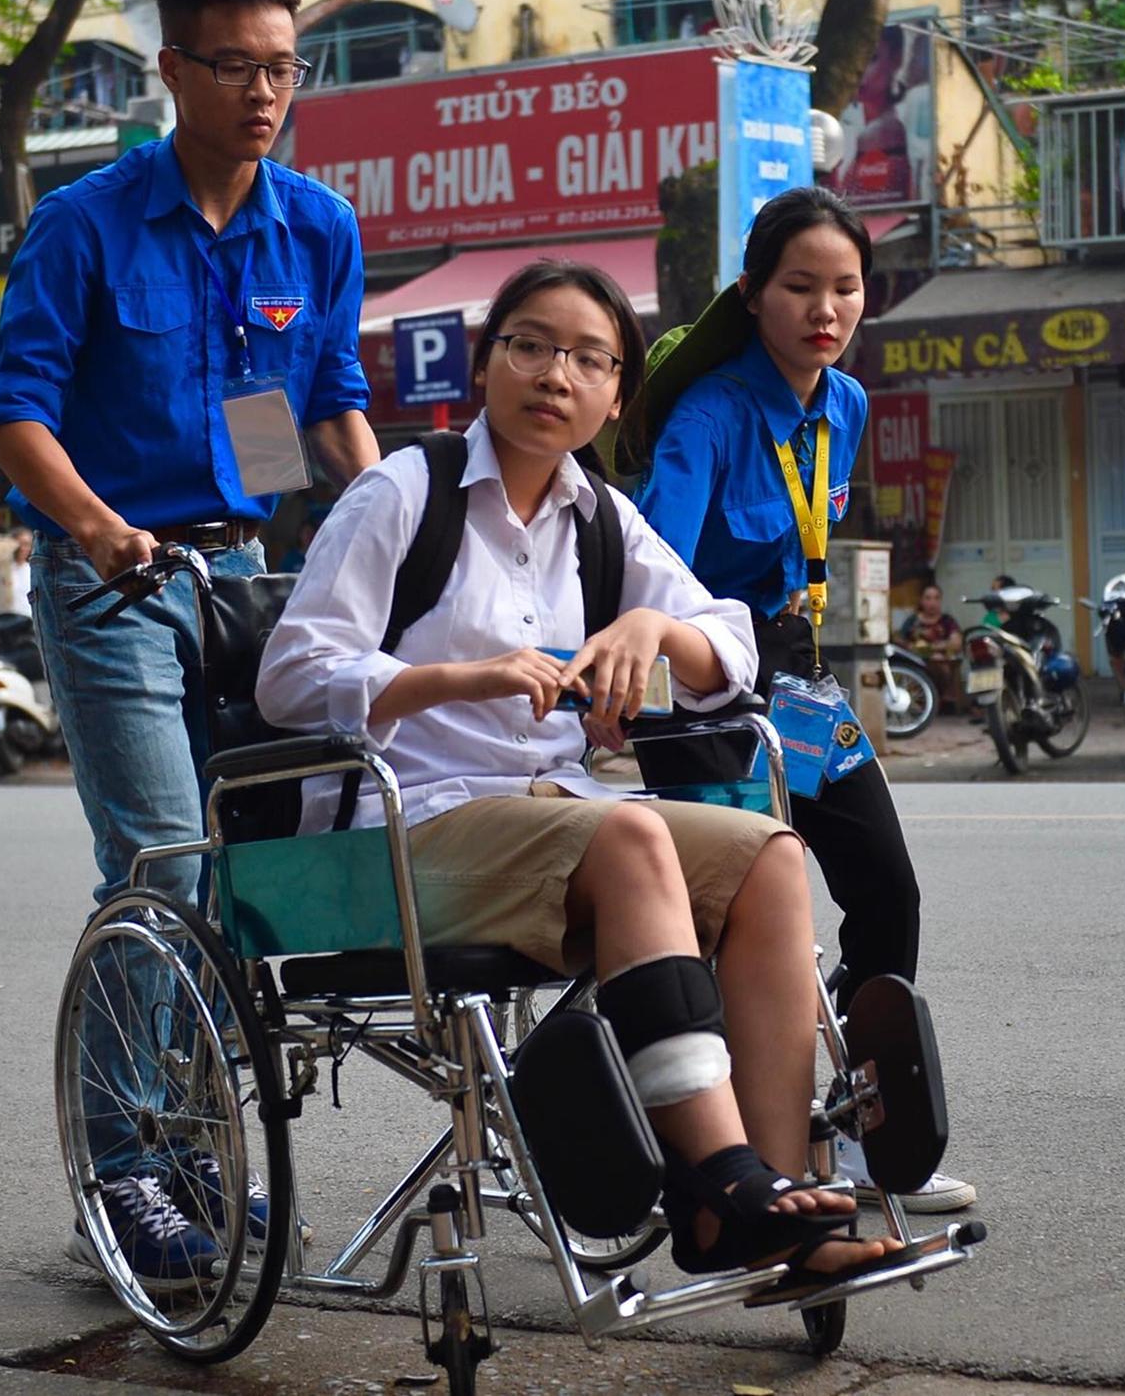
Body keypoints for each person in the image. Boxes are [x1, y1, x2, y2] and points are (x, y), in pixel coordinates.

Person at [258, 260, 899, 1285]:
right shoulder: (401, 492)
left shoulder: (599, 515)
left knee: (768, 854)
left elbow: (727, 645)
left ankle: (780, 1200)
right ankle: (716, 1179)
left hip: (556, 825)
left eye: (588, 358)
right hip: (406, 829)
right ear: (485, 366)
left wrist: (649, 626)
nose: (556, 373)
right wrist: (453, 679)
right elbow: (290, 675)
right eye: (529, 344)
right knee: (633, 829)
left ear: (615, 394)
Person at [0, 0, 378, 1288]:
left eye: (284, 67)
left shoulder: (316, 226)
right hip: (115, 582)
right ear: (174, 72)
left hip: (255, 583)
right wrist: (98, 531)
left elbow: (323, 409)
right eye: (238, 67)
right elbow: (15, 415)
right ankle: (131, 1172)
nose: (266, 92)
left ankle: (205, 1148)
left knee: (271, 872)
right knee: (163, 862)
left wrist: (399, 533)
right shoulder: (86, 225)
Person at [631, 186, 975, 1213]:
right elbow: (654, 569)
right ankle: (680, 1145)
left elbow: (801, 549)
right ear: (751, 292)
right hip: (699, 686)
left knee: (883, 890)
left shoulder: (848, 404)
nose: (823, 309)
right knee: (714, 931)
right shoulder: (708, 414)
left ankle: (857, 1134)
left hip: (799, 683)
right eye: (797, 288)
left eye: (844, 289)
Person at [899, 581, 964, 712]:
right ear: (922, 601)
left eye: (936, 598)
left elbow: (956, 642)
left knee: (942, 665)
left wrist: (932, 649)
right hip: (917, 663)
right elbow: (900, 640)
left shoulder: (947, 621)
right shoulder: (912, 621)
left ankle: (945, 702)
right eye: (928, 598)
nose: (932, 603)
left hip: (942, 663)